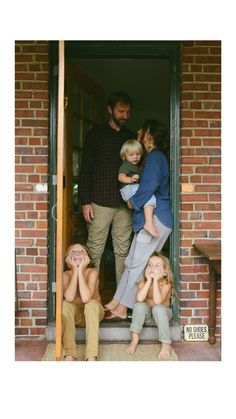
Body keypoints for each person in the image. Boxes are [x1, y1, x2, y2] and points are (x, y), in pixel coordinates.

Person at [105, 119, 173, 319]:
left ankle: (122, 307)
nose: (139, 133)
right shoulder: (153, 158)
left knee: (137, 264)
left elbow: (148, 187)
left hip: (156, 218)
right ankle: (117, 300)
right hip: (152, 218)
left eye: (143, 132)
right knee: (131, 262)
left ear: (149, 136)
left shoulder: (155, 158)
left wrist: (133, 202)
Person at [79, 91, 135, 284]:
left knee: (123, 251)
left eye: (128, 112)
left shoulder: (131, 136)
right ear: (109, 110)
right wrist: (85, 201)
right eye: (121, 111)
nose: (125, 116)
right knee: (94, 249)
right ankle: (90, 297)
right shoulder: (95, 134)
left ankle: (120, 301)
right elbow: (85, 169)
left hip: (125, 204)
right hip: (99, 202)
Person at [125, 252, 173, 360]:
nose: (152, 268)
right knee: (139, 306)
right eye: (150, 265)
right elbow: (140, 299)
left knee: (158, 308)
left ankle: (166, 344)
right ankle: (134, 340)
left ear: (165, 272)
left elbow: (157, 302)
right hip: (147, 318)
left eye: (157, 266)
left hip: (162, 317)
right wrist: (148, 282)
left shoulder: (166, 284)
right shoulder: (143, 282)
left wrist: (155, 281)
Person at [62, 243, 104, 361]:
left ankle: (91, 355)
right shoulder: (65, 275)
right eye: (73, 252)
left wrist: (80, 271)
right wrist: (75, 270)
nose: (77, 253)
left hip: (94, 313)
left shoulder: (92, 273)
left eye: (81, 251)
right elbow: (69, 298)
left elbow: (86, 298)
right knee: (65, 304)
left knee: (90, 304)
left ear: (88, 258)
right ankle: (70, 354)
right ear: (67, 259)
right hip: (77, 315)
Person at [118, 138, 158, 237]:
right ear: (124, 156)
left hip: (131, 189)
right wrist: (130, 179)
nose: (135, 157)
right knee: (149, 196)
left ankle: (131, 202)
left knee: (148, 196)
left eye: (138, 154)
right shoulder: (126, 165)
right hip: (128, 188)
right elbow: (120, 177)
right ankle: (149, 223)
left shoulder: (135, 165)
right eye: (131, 155)